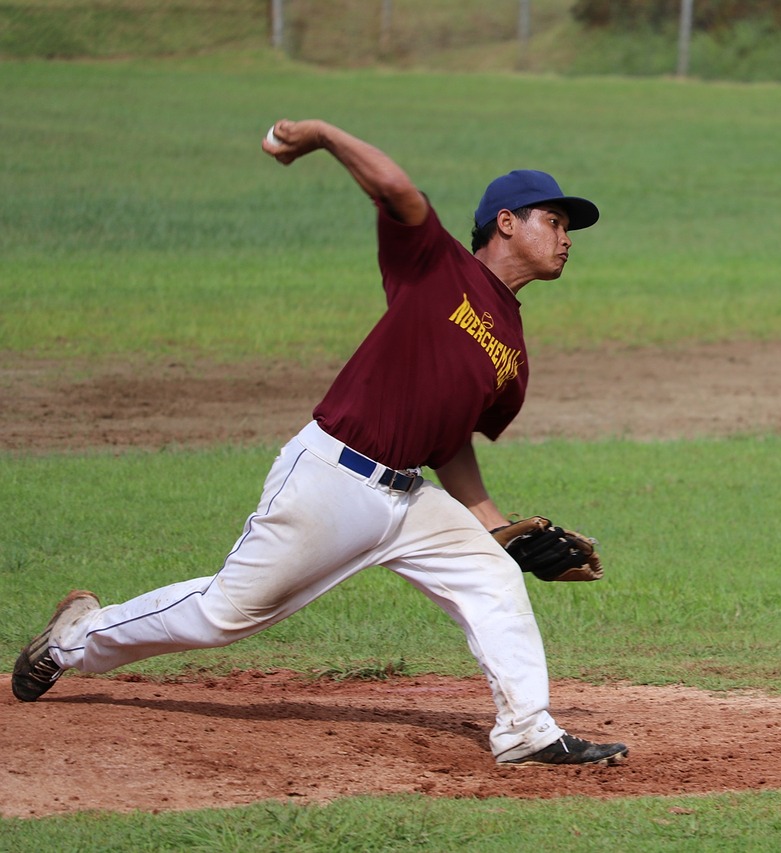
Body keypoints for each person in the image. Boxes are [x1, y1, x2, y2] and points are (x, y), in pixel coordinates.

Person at [10, 120, 628, 767]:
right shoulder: (436, 264)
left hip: (408, 498)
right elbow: (394, 186)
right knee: (225, 614)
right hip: (334, 477)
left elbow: (448, 445)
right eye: (555, 221)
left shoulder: (513, 350)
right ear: (505, 222)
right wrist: (322, 134)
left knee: (492, 575)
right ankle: (75, 637)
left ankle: (527, 731)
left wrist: (495, 526)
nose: (565, 238)